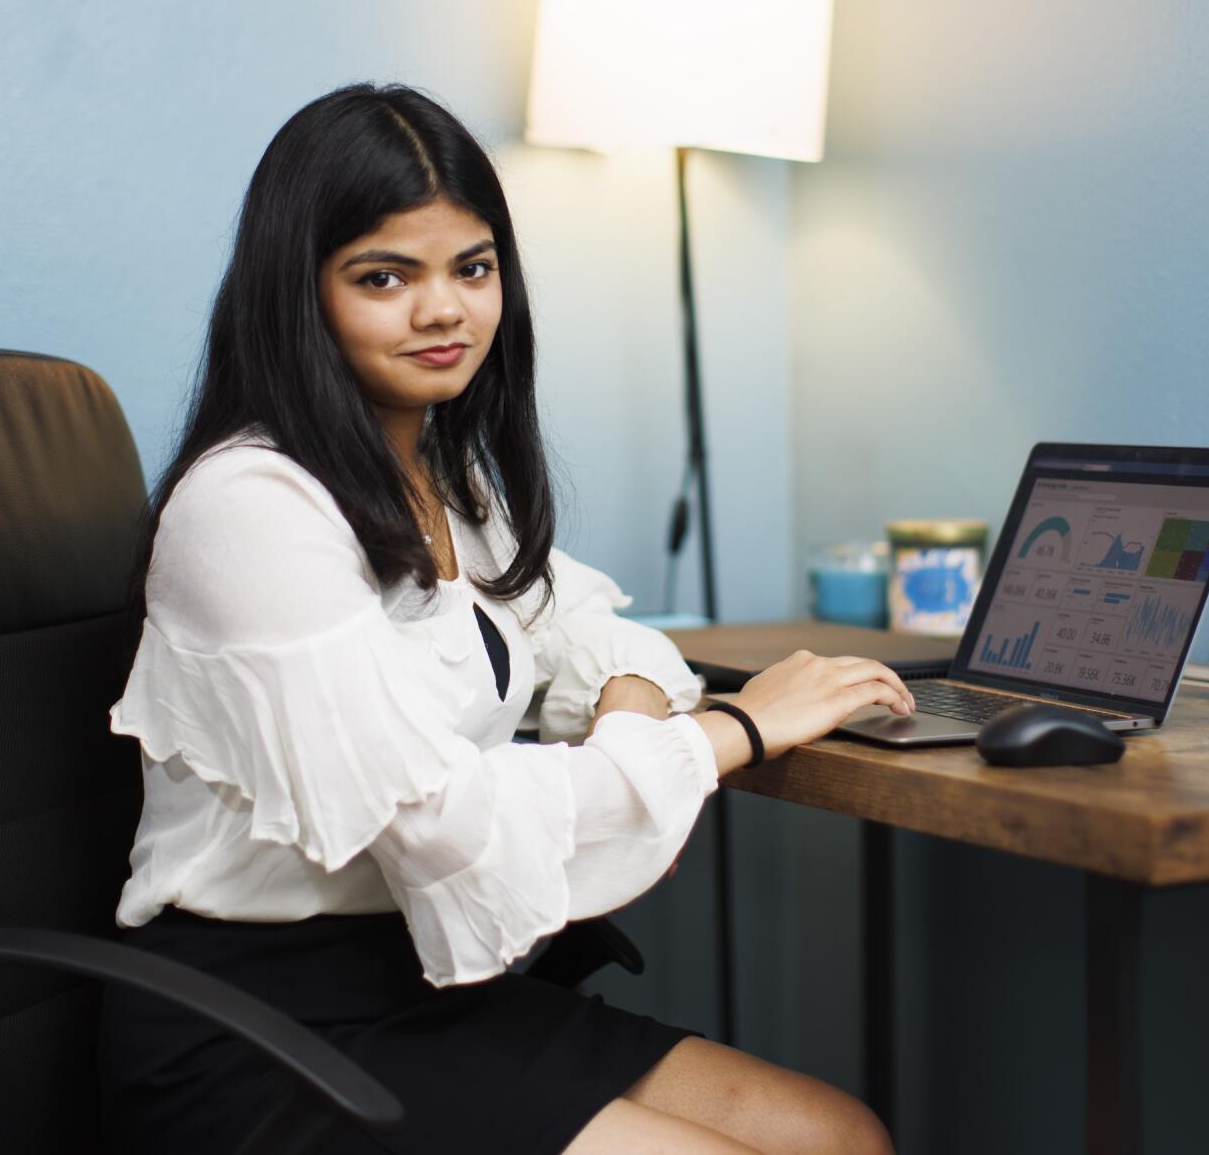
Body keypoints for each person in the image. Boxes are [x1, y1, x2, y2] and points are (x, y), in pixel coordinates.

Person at [96, 82, 914, 1154]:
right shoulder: (250, 506)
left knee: (839, 1134)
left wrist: (637, 734)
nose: (443, 310)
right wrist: (725, 734)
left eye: (470, 267)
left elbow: (605, 640)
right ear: (297, 294)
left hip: (431, 976)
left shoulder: (437, 480)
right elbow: (438, 817)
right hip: (256, 1024)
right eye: (383, 276)